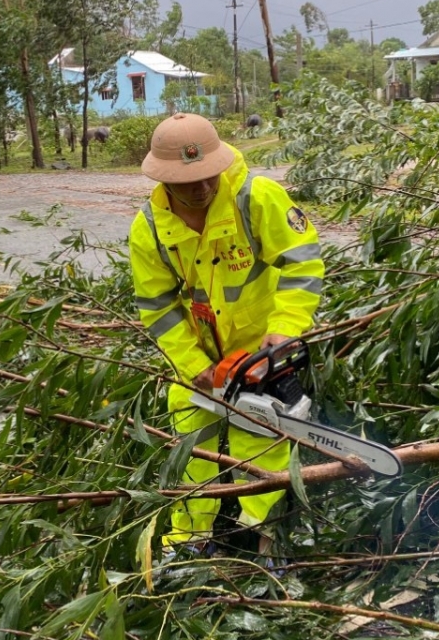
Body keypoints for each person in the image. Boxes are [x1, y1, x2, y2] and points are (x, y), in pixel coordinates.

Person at [128, 112, 325, 554]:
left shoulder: (254, 198)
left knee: (261, 447)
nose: (201, 187)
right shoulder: (150, 227)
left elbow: (303, 262)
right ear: (163, 179)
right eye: (188, 181)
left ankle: (259, 537)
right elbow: (156, 306)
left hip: (260, 348)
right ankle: (190, 543)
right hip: (197, 352)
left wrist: (284, 332)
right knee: (191, 450)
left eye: (207, 176)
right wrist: (195, 367)